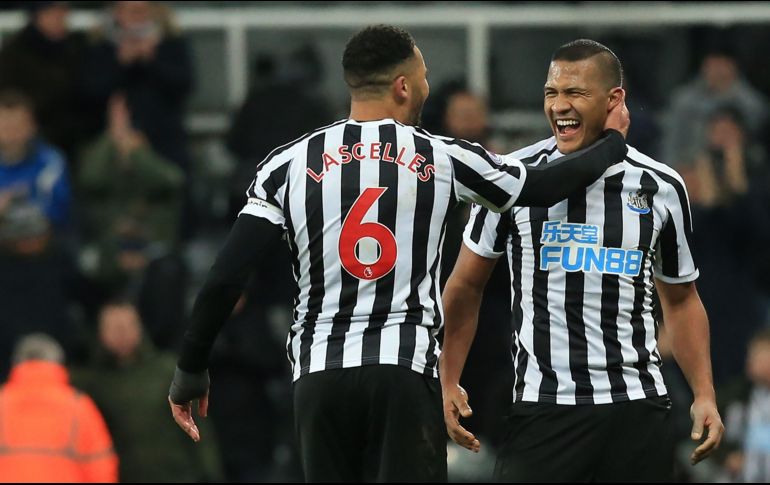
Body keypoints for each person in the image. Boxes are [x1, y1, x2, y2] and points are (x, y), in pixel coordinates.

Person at [168, 25, 630, 483]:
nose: (427, 85)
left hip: (319, 374)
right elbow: (546, 185)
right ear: (403, 86)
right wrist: (613, 142)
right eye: (424, 75)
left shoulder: (287, 163)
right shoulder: (441, 156)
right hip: (402, 369)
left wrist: (191, 366)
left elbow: (227, 274)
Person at [440, 39, 724, 482]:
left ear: (614, 100)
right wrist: (447, 378)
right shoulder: (514, 177)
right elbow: (465, 286)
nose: (559, 106)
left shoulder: (661, 186)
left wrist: (704, 393)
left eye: (575, 93)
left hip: (636, 408)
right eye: (552, 93)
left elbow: (683, 300)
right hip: (543, 409)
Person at [71, 300, 221, 483]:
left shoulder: (167, 370)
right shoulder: (91, 382)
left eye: (127, 325)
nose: (121, 334)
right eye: (113, 328)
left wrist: (211, 473)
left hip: (177, 475)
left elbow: (200, 428)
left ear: (140, 327)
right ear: (100, 333)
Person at [0, 333, 117, 482]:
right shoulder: (79, 406)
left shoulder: (2, 403)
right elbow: (101, 468)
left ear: (16, 363)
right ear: (58, 362)